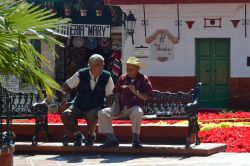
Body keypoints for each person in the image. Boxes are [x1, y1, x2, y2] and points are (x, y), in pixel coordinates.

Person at [59, 54, 114, 146]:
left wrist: (107, 109)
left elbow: (109, 95)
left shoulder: (107, 76)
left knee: (90, 114)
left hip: (96, 106)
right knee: (66, 114)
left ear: (103, 65)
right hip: (79, 104)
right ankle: (78, 135)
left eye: (100, 64)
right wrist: (64, 100)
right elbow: (65, 86)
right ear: (89, 65)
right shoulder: (81, 73)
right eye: (94, 65)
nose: (98, 67)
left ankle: (91, 135)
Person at [98, 56, 153, 148]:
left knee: (138, 112)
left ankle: (135, 139)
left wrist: (136, 92)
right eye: (128, 69)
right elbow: (115, 93)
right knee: (102, 113)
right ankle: (111, 139)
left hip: (133, 108)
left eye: (132, 69)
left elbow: (145, 97)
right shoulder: (122, 78)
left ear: (138, 69)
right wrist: (116, 109)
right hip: (120, 107)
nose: (129, 71)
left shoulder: (144, 79)